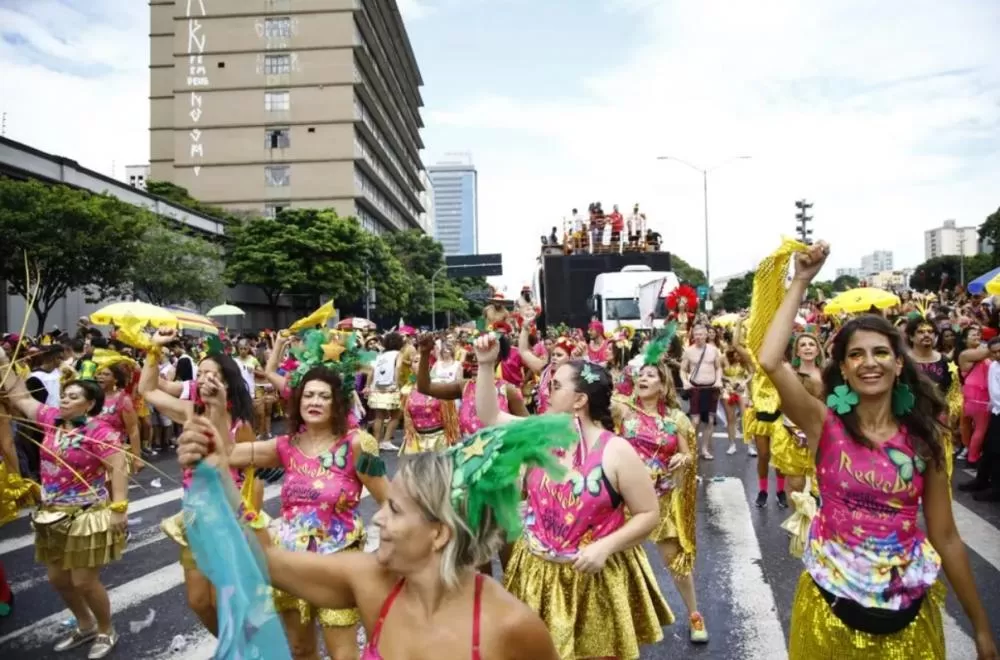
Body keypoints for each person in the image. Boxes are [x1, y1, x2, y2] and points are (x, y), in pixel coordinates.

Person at [758, 240, 998, 660]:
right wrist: (799, 280)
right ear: (845, 369)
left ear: (899, 363)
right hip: (827, 615)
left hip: (906, 625)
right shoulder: (824, 424)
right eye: (856, 355)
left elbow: (946, 536)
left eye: (881, 352)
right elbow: (771, 361)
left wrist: (982, 630)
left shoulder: (925, 440)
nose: (870, 362)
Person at [176, 411, 569, 659]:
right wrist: (216, 473)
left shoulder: (510, 628)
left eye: (394, 509)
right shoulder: (369, 580)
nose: (377, 520)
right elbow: (268, 561)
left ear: (439, 534)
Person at [475, 334, 672, 659]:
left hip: (591, 581)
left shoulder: (616, 451)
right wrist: (485, 364)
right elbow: (490, 417)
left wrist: (604, 547)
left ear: (579, 400)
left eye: (555, 386)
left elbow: (648, 514)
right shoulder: (540, 433)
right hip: (537, 574)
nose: (545, 390)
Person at [1, 347, 128, 658]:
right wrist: (4, 361)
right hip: (52, 512)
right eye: (65, 395)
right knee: (57, 578)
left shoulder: (100, 432)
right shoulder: (50, 419)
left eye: (73, 396)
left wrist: (119, 508)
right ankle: (85, 625)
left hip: (87, 514)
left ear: (90, 404)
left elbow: (118, 466)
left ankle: (105, 629)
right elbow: (20, 397)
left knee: (84, 580)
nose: (65, 399)